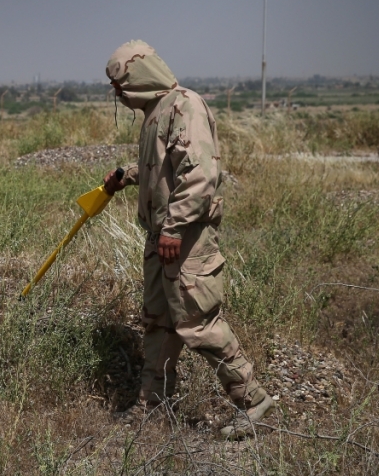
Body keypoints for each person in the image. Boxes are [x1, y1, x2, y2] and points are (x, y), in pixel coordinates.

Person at [101, 40, 274, 439]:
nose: (118, 93)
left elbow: (198, 175)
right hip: (162, 238)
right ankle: (152, 407)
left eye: (121, 82)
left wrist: (174, 227)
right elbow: (162, 165)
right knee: (158, 324)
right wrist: (125, 176)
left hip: (185, 240)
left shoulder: (185, 105)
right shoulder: (156, 113)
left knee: (198, 324)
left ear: (141, 76)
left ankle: (253, 400)